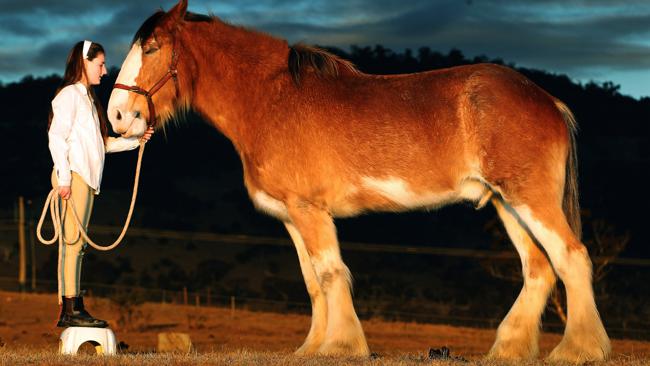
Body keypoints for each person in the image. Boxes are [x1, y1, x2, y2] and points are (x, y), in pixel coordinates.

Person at [47, 40, 153, 327]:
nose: (105, 71)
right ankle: (70, 309)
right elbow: (56, 136)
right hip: (76, 177)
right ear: (85, 63)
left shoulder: (88, 99)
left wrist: (134, 142)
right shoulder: (69, 95)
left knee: (78, 244)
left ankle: (74, 306)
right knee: (73, 242)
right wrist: (65, 179)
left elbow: (100, 144)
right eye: (100, 64)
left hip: (87, 180)